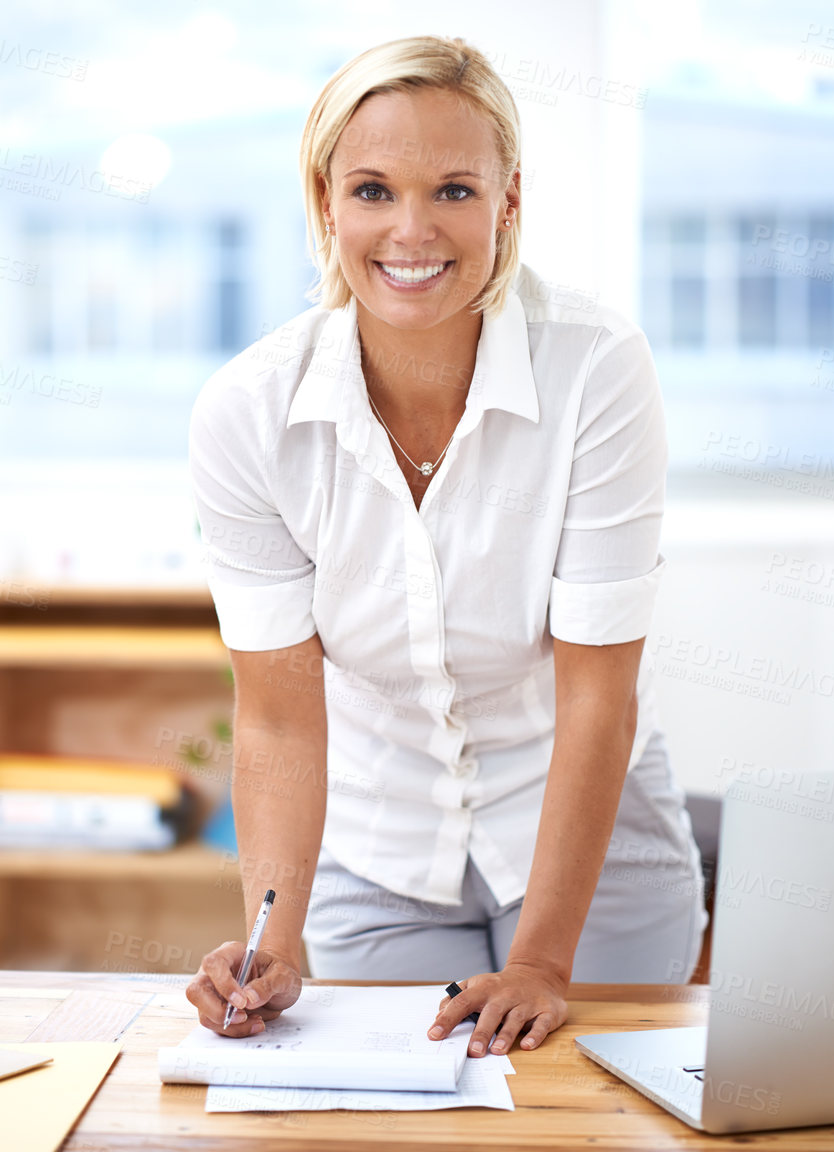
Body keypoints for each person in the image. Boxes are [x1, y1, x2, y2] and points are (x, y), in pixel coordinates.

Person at [184, 34, 705, 1061]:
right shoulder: (248, 413)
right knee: (400, 1111)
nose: (411, 231)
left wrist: (544, 965)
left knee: (589, 1111)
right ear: (326, 203)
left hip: (590, 847)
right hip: (375, 852)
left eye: (455, 191)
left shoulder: (596, 370)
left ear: (509, 203)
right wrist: (273, 939)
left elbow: (598, 696)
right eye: (373, 189)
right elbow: (283, 720)